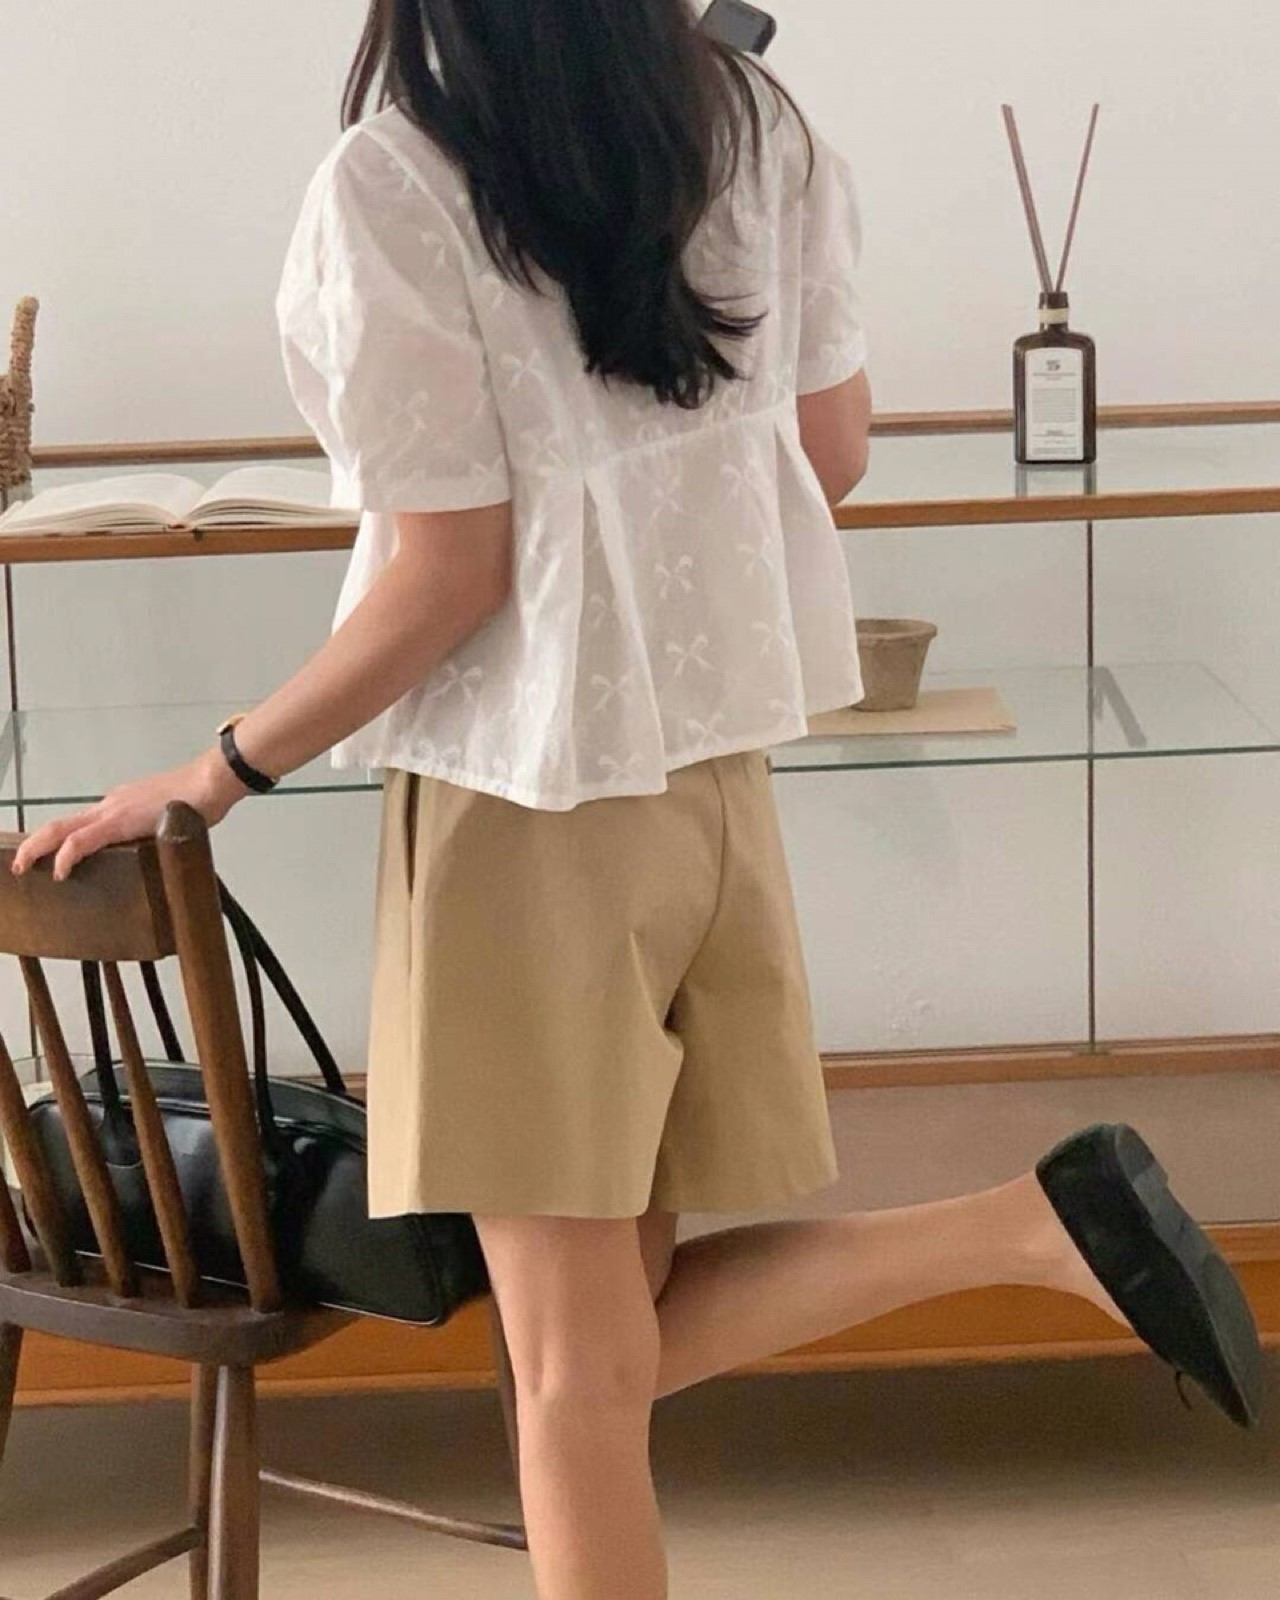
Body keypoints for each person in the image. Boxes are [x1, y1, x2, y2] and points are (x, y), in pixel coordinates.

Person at [13, 2, 1263, 1596]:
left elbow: (447, 575)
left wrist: (217, 769)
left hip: (520, 816)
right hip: (708, 793)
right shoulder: (752, 128)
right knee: (612, 1348)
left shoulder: (397, 181)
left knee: (569, 1380)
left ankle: (1024, 1228)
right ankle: (1032, 1226)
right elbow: (831, 452)